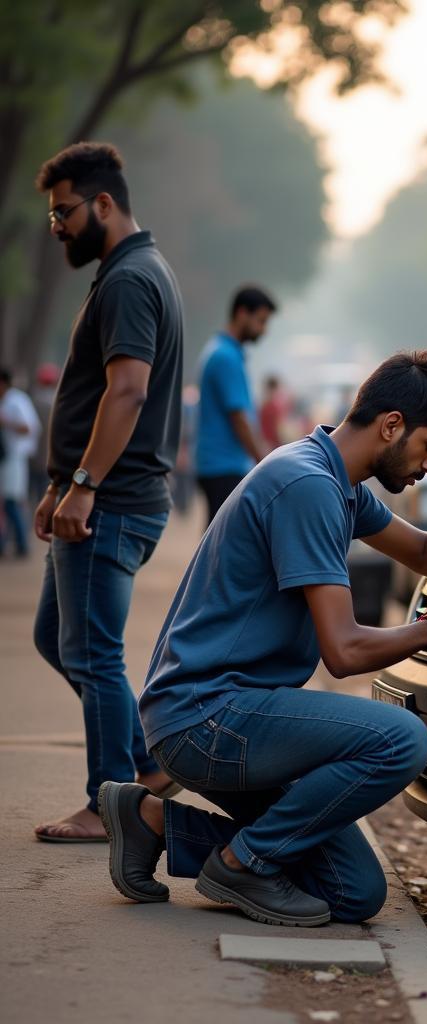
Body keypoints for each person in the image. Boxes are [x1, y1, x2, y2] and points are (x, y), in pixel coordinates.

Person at [97, 350, 427, 926]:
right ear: (391, 425)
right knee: (401, 739)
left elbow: (419, 550)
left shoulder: (332, 477)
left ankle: (149, 822)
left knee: (353, 893)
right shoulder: (308, 487)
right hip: (209, 720)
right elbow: (342, 653)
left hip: (228, 715)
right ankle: (242, 864)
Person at [32, 141, 184, 842]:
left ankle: (109, 803)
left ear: (102, 203)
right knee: (57, 638)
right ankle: (143, 768)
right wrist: (62, 483)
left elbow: (127, 391)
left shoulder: (128, 279)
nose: (56, 226)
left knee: (92, 652)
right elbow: (101, 391)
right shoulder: (129, 270)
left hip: (115, 501)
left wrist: (85, 486)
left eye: (63, 212)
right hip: (101, 494)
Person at [194, 286, 276, 524]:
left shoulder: (221, 351)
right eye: (260, 321)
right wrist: (264, 460)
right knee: (222, 542)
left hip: (217, 464)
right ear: (242, 313)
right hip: (224, 466)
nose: (263, 329)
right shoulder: (226, 357)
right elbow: (239, 418)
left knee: (218, 537)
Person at [0, 368, 41, 558]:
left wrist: (6, 422)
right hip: (5, 458)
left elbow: (28, 428)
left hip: (14, 458)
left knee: (12, 502)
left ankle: (22, 543)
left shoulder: (16, 401)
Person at [29, 362, 60, 506]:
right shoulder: (57, 401)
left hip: (32, 455)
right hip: (49, 457)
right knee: (43, 495)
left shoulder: (33, 400)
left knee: (30, 492)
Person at [258, 374, 288, 449]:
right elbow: (279, 429)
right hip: (275, 445)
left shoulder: (263, 405)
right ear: (276, 388)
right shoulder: (275, 406)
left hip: (265, 443)